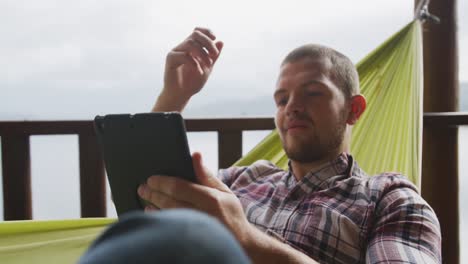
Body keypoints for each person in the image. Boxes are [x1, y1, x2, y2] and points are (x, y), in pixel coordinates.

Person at [80, 27, 441, 264]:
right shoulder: (240, 181)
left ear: (353, 109)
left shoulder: (390, 200)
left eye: (312, 93)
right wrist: (175, 95)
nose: (292, 107)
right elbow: (148, 200)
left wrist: (245, 238)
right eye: (281, 99)